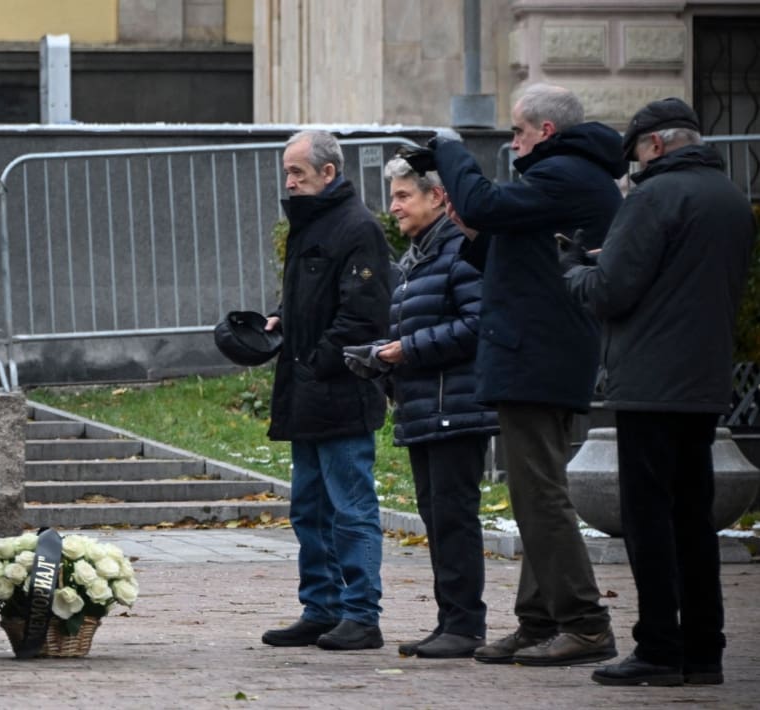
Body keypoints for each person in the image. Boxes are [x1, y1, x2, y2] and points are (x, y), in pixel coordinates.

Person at [422, 83, 625, 666]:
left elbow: (488, 204)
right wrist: (471, 231)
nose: (513, 143)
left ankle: (585, 623)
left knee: (540, 495)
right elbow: (515, 247)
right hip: (539, 351)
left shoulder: (565, 173)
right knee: (538, 494)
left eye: (517, 131)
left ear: (546, 131)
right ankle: (539, 622)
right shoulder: (568, 177)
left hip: (539, 354)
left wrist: (451, 149)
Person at [565, 98, 756, 687]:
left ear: (653, 146)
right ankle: (704, 651)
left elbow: (611, 291)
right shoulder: (730, 199)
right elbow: (682, 274)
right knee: (694, 520)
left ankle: (657, 648)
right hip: (703, 382)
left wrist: (572, 269)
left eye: (635, 156)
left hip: (651, 384)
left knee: (648, 520)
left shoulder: (652, 196)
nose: (633, 169)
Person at [259, 130, 392, 652]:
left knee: (350, 507)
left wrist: (316, 362)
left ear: (329, 173)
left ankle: (361, 614)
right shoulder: (310, 225)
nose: (289, 182)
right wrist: (277, 322)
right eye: (287, 173)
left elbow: (363, 314)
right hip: (307, 391)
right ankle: (322, 608)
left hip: (339, 391)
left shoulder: (357, 228)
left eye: (298, 173)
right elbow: (314, 304)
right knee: (309, 509)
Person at [370, 157, 499, 659]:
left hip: (456, 410)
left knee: (454, 518)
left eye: (404, 196)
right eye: (394, 195)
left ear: (438, 198)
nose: (394, 206)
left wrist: (410, 349)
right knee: (436, 517)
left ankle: (466, 626)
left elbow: (477, 322)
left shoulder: (459, 253)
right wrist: (383, 355)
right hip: (424, 409)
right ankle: (451, 621)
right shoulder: (416, 258)